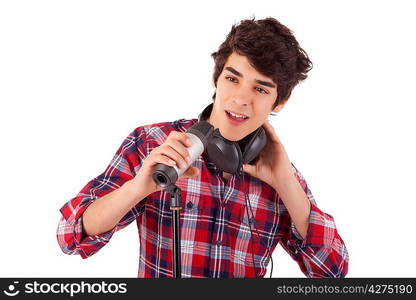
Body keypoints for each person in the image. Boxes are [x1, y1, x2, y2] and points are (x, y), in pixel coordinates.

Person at [57, 17, 349, 278]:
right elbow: (70, 234)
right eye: (233, 79)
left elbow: (333, 272)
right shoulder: (153, 144)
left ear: (280, 102)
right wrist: (137, 188)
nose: (240, 99)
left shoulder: (281, 174)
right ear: (216, 78)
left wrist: (286, 183)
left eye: (260, 89)